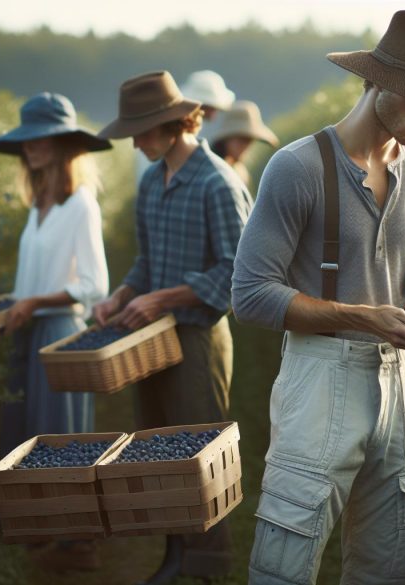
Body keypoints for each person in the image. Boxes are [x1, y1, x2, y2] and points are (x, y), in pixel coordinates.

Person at [232, 11, 405, 584]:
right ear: (376, 83)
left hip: (403, 384)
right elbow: (250, 294)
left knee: (389, 566)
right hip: (318, 378)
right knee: (285, 562)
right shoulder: (297, 167)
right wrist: (367, 318)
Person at [94, 70, 252, 585]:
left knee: (198, 454)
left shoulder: (216, 183)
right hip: (152, 342)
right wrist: (123, 292)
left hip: (196, 339)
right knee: (159, 448)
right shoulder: (151, 179)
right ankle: (176, 554)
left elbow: (238, 273)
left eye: (140, 132)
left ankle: (208, 564)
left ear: (171, 124)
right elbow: (148, 260)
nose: (135, 143)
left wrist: (166, 296)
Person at [0, 92, 112, 569]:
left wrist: (33, 302)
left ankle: (76, 543)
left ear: (63, 144)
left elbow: (94, 284)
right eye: (26, 140)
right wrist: (14, 307)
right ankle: (39, 534)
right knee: (29, 434)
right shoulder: (38, 207)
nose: (31, 147)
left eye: (42, 139)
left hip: (60, 334)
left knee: (60, 438)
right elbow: (30, 280)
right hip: (30, 332)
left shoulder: (80, 205)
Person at [210, 100, 279, 189]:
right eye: (242, 140)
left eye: (249, 141)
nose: (245, 147)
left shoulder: (241, 172)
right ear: (228, 138)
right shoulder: (210, 169)